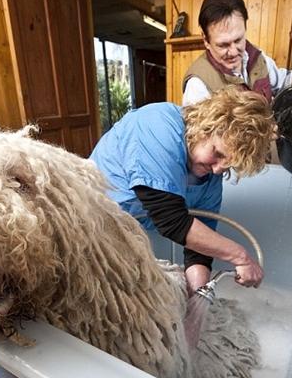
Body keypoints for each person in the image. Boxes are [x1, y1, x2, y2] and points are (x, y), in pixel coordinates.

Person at [89, 86, 275, 294]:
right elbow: (171, 219)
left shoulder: (210, 178)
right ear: (206, 127)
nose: (217, 169)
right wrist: (240, 256)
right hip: (85, 219)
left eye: (228, 165)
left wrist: (198, 299)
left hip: (122, 231)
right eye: (218, 153)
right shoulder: (156, 124)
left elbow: (199, 250)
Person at [182, 0, 292, 106]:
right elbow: (199, 139)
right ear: (206, 40)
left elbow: (283, 81)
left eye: (238, 40)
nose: (233, 52)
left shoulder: (257, 58)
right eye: (223, 45)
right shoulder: (198, 86)